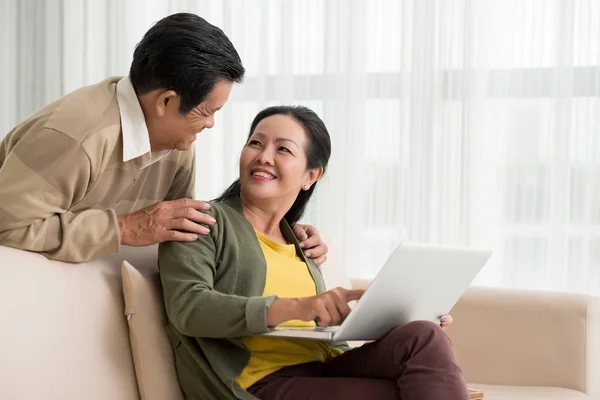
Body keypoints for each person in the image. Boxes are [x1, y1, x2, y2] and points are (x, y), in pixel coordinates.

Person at [159, 105, 468, 400]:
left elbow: (325, 337)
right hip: (259, 383)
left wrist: (399, 317)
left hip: (323, 368)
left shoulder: (301, 242)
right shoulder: (202, 221)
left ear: (311, 176)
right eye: (256, 142)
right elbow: (189, 307)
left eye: (282, 149)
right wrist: (299, 307)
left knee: (425, 335)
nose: (264, 156)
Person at [0, 13, 327, 265]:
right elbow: (7, 226)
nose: (211, 124)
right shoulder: (76, 137)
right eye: (206, 111)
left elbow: (183, 231)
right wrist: (126, 228)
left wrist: (282, 238)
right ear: (166, 102)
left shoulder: (177, 141)